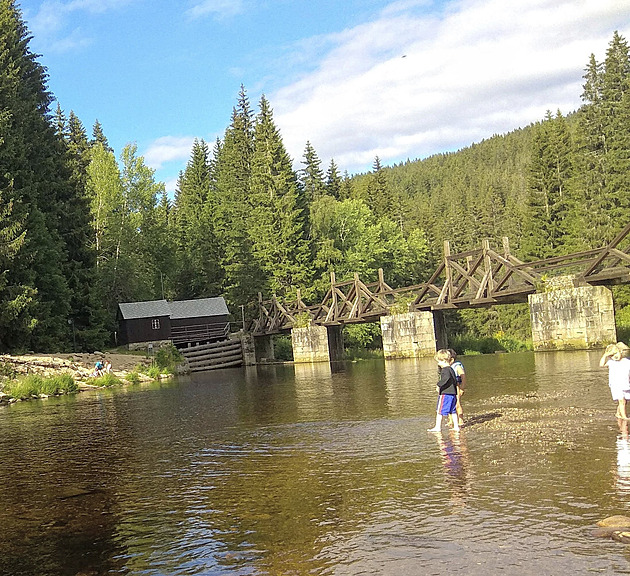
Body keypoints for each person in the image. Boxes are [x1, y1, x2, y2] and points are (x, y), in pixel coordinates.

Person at [428, 349, 460, 432]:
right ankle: (456, 427)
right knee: (453, 411)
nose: (438, 364)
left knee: (439, 410)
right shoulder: (451, 369)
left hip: (446, 394)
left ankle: (437, 427)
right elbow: (455, 380)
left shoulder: (445, 370)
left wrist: (438, 385)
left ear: (443, 360)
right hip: (453, 394)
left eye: (439, 361)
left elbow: (446, 379)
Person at [600, 343, 630, 419]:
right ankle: (624, 417)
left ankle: (618, 413)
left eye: (615, 354)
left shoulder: (626, 361)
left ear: (620, 351)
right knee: (621, 401)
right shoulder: (611, 362)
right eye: (611, 356)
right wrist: (605, 355)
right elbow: (601, 365)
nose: (614, 357)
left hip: (625, 383)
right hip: (615, 384)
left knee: (625, 401)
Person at [448, 348, 467, 427]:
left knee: (457, 403)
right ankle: (451, 420)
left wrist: (462, 387)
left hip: (457, 386)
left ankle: (461, 419)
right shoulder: (446, 367)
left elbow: (463, 376)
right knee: (449, 404)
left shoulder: (457, 366)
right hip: (449, 388)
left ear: (451, 360)